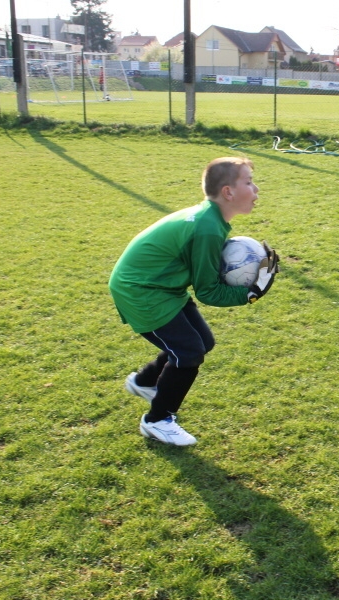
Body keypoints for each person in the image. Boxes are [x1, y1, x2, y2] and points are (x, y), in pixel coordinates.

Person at [108, 157, 279, 446]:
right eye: (249, 182)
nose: (256, 189)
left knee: (202, 342)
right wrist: (250, 294)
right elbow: (208, 291)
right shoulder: (207, 227)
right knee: (188, 353)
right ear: (228, 192)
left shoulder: (210, 218)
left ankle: (146, 382)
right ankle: (157, 420)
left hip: (163, 286)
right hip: (141, 291)